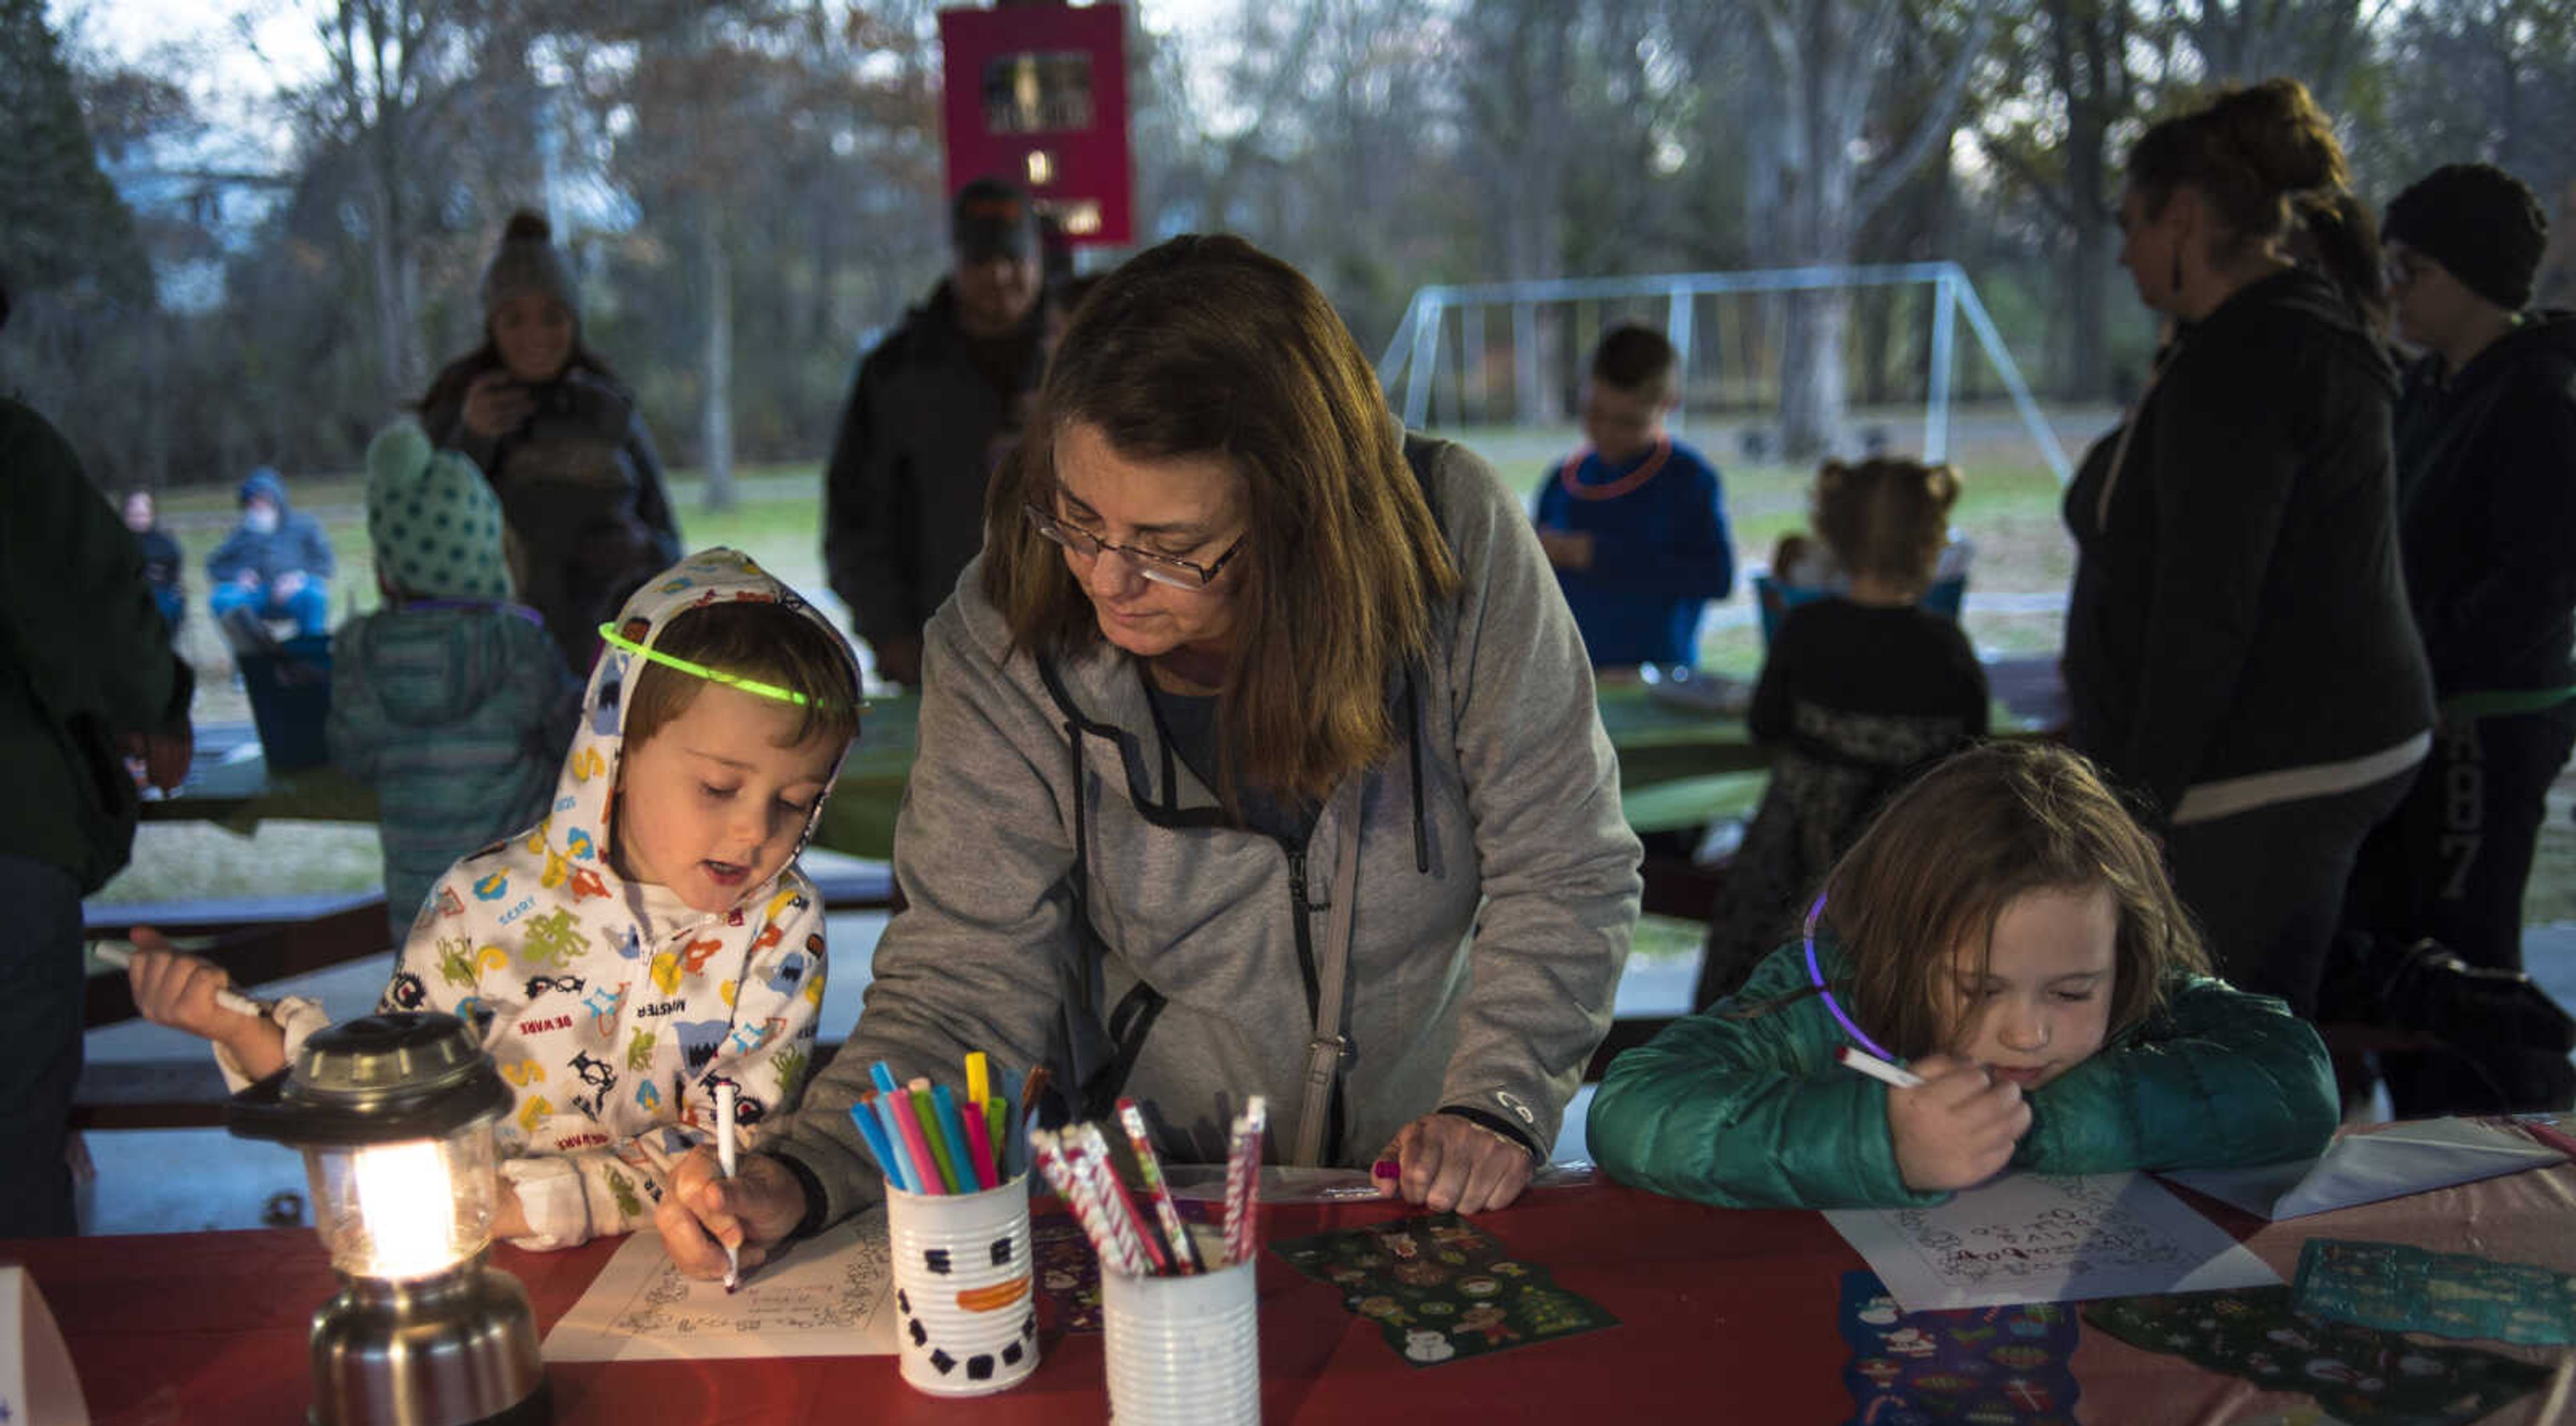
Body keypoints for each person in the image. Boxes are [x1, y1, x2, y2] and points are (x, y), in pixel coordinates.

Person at [656, 233, 1644, 1281]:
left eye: (1174, 548)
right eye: (1077, 516)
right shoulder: (1004, 636)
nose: (1108, 579)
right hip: (1153, 1198)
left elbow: (1565, 863)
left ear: (1304, 522)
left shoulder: (1451, 540)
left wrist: (1497, 1098)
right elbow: (961, 979)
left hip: (1427, 1168)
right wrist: (807, 1171)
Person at [123, 551, 860, 1250]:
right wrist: (243, 1029)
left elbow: (733, 1152)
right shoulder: (479, 904)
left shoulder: (782, 927)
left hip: (676, 1283)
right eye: (719, 787)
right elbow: (393, 1091)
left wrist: (526, 1204)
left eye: (795, 802)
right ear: (615, 746)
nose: (754, 828)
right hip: (474, 1262)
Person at [2061, 77, 2434, 1018]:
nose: (2122, 252)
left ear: (2184, 215)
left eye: (2133, 222)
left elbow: (2206, 607)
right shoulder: (2251, 338)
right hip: (2303, 742)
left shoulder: (2251, 361)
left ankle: (2241, 1159)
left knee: (2211, 1032)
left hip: (2275, 761)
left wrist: (2135, 814)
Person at [1589, 743, 2337, 1209]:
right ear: (1901, 947)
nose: (2029, 1030)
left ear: (2124, 956)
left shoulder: (2139, 988)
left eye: (2074, 991)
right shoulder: (1835, 998)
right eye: (1980, 989)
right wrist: (1882, 1143)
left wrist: (2035, 1126)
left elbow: (2297, 1081)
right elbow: (1632, 1108)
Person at [2336, 162, 2576, 1112]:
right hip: (2421, 709)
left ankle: (2519, 1148)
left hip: (2487, 717)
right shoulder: (2428, 387)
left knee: (2466, 952)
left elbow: (2539, 581)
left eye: (2411, 270)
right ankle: (2434, 1137)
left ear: (2470, 275)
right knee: (2401, 949)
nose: (2392, 290)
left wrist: (2424, 654)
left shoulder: (2537, 400)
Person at [0, 280, 195, 1236]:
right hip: (10, 832)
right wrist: (153, 705)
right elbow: (88, 598)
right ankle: (17, 1370)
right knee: (11, 1138)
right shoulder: (11, 453)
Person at [1696, 457, 1988, 1008]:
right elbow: (1971, 752)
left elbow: (1765, 724)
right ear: (1932, 544)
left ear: (1835, 537)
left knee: (1755, 996)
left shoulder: (1806, 631)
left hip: (1795, 866)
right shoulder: (1947, 649)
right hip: (1906, 870)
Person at [328, 421, 580, 936]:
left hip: (424, 920)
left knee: (434, 1017)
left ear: (387, 567)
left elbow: (353, 755)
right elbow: (574, 745)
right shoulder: (518, 645)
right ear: (489, 551)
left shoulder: (362, 652)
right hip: (524, 911)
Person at [418, 210, 683, 673]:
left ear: (574, 320)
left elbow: (670, 548)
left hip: (610, 655)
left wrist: (639, 550)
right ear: (491, 325)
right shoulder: (457, 405)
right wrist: (471, 439)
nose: (535, 336)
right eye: (515, 319)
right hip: (493, 660)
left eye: (552, 316)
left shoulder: (609, 410)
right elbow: (420, 544)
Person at [823, 176, 1049, 690]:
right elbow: (853, 516)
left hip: (1077, 640)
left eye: (1014, 259)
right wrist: (888, 632)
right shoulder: (897, 372)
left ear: (1037, 256)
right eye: (981, 261)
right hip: (942, 646)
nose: (999, 276)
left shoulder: (1082, 353)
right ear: (955, 261)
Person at [1532, 323, 1737, 669]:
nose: (1606, 432)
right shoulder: (1562, 482)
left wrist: (1597, 554)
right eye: (1594, 413)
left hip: (1660, 680)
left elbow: (1717, 577)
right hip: (1571, 679)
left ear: (1669, 405)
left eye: (1627, 422)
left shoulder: (1689, 481)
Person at [205, 465, 335, 643]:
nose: (258, 505)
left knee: (314, 596)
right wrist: (238, 575)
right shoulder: (241, 533)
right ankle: (250, 657)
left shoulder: (304, 525)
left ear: (277, 500)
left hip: (295, 591)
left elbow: (325, 562)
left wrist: (299, 577)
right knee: (224, 600)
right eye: (252, 501)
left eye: (264, 500)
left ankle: (311, 656)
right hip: (254, 594)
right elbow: (214, 565)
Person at [123, 490, 186, 638]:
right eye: (135, 515)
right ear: (127, 517)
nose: (139, 520)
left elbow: (173, 569)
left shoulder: (165, 542)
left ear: (151, 516)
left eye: (143, 515)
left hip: (161, 591)